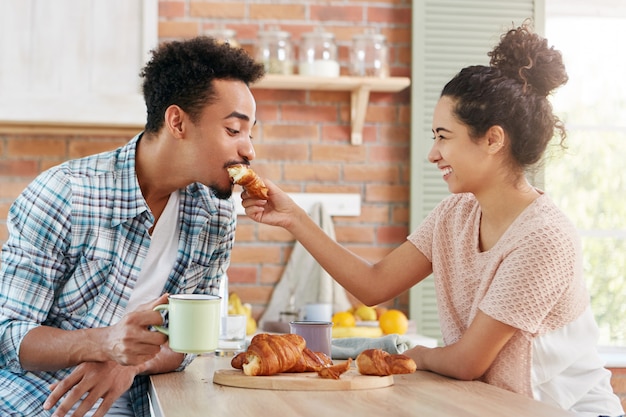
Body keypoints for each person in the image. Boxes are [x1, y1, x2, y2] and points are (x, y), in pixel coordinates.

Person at [240, 22, 625, 417]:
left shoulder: (544, 237)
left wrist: (416, 354)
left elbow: (467, 361)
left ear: (493, 140)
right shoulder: (455, 215)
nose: (433, 153)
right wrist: (294, 219)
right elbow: (375, 285)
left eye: (444, 136)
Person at [0, 37, 264, 416]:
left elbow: (192, 341)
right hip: (38, 403)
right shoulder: (65, 194)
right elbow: (7, 335)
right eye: (234, 130)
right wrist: (103, 343)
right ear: (177, 122)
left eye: (251, 132)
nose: (249, 150)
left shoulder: (215, 217)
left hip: (148, 402)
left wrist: (131, 362)